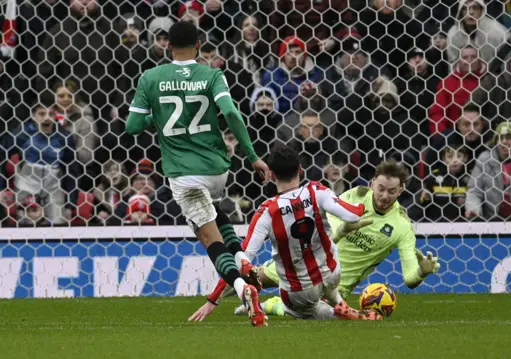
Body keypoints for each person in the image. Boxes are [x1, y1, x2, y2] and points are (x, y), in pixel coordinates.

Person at [125, 21, 271, 327]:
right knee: (214, 213)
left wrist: (159, 119)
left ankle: (243, 288)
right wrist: (253, 157)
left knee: (207, 237)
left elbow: (132, 128)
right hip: (218, 169)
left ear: (167, 47)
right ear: (199, 45)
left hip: (184, 174)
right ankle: (244, 263)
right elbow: (231, 113)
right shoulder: (212, 74)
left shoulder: (151, 77)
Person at [189, 160, 441, 321]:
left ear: (402, 190)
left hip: (333, 285)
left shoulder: (402, 226)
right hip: (299, 266)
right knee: (247, 277)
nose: (385, 195)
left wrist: (421, 272)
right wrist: (341, 230)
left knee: (303, 309)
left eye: (392, 191)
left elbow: (409, 278)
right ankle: (221, 299)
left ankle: (268, 306)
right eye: (381, 188)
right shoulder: (356, 195)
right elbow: (326, 226)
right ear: (373, 183)